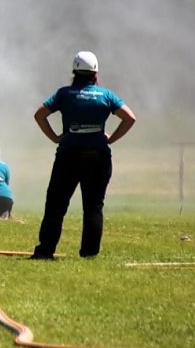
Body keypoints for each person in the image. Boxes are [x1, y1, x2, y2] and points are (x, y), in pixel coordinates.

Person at [31, 51, 136, 259]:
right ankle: (89, 254)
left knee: (56, 204)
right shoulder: (106, 95)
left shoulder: (64, 94)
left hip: (68, 155)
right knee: (93, 207)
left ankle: (45, 250)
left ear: (74, 73)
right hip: (98, 156)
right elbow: (130, 118)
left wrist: (54, 137)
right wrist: (110, 139)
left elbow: (39, 114)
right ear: (95, 75)